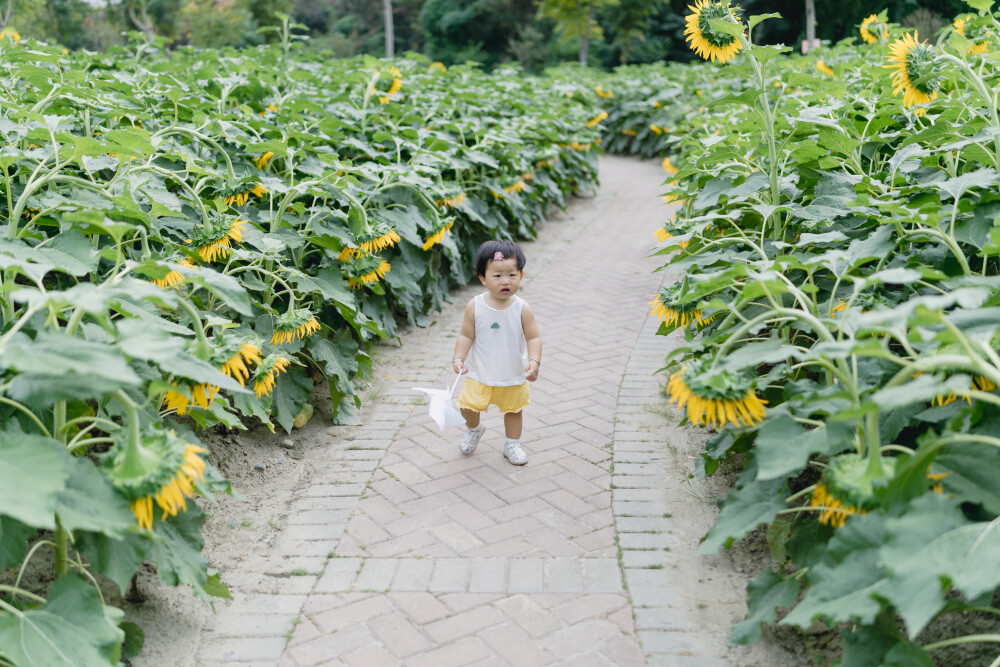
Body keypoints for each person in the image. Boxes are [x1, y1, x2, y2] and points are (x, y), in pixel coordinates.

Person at [451, 240, 542, 465]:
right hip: (479, 372)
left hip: (511, 373)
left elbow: (534, 337)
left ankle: (512, 444)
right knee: (467, 407)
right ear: (483, 278)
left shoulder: (522, 308)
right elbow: (466, 335)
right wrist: (458, 358)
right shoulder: (475, 305)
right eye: (497, 275)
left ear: (521, 275)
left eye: (512, 275)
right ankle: (474, 429)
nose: (505, 281)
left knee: (513, 410)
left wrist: (534, 360)